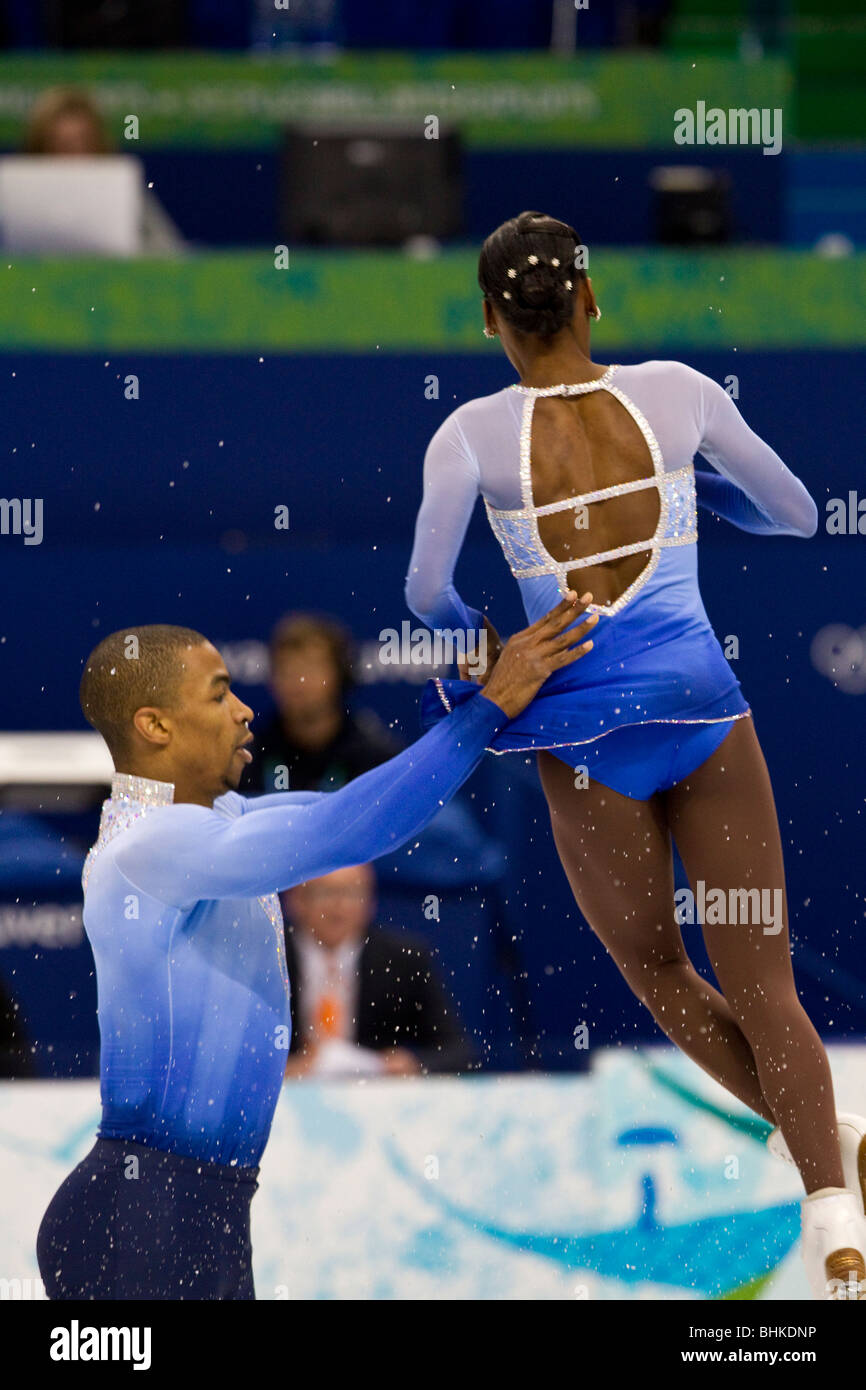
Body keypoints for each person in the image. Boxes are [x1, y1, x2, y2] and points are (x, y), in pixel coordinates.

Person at [404, 209, 866, 1301]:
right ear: (588, 297)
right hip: (703, 715)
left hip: (580, 739)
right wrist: (686, 496)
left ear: (487, 320)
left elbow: (423, 592)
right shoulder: (678, 393)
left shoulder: (467, 433)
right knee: (763, 978)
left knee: (659, 970)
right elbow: (797, 514)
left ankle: (824, 1143)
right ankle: (833, 1211)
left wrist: (494, 649)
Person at [36, 607, 594, 1299]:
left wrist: (474, 710)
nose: (246, 711)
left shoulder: (219, 821)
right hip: (142, 1218)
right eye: (218, 693)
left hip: (197, 1213)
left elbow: (366, 809)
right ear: (155, 726)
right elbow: (343, 828)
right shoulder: (146, 849)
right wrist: (486, 713)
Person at [281, 863, 475, 1077]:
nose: (338, 905)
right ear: (296, 900)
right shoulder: (269, 961)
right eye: (326, 893)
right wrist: (281, 1070)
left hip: (375, 1100)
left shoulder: (403, 960)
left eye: (352, 893)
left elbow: (459, 1053)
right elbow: (243, 1049)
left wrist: (411, 1064)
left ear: (370, 903)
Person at [242, 612, 401, 794]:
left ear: (340, 676)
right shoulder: (248, 758)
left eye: (311, 669)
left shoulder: (377, 759)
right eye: (286, 670)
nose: (299, 682)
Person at [21, 86, 184, 255]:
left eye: (83, 143)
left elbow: (170, 254)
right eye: (63, 146)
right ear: (41, 148)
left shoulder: (124, 191)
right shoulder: (19, 196)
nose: (75, 156)